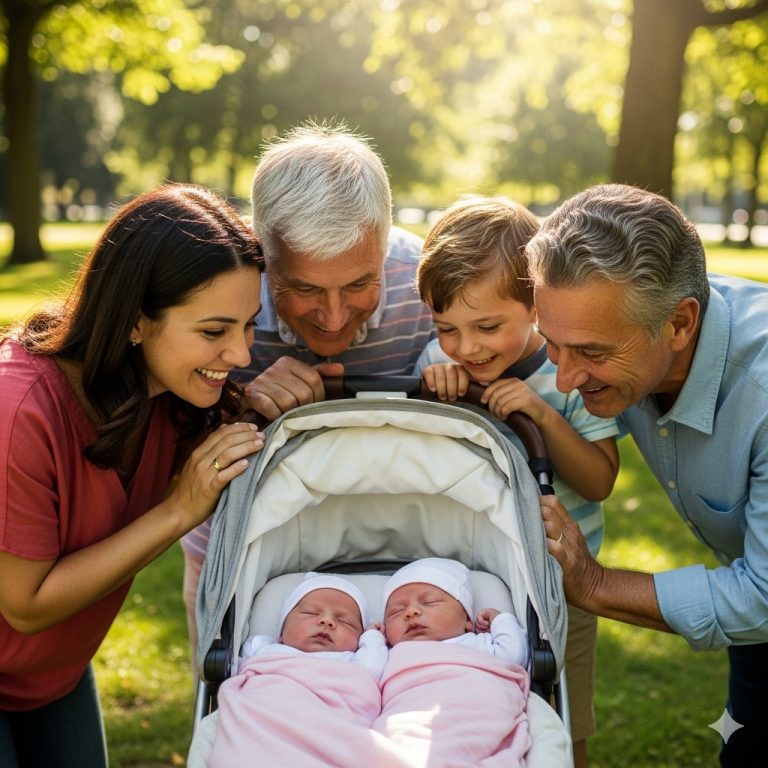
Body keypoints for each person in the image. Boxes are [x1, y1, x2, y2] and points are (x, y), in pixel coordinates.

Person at [0, 184, 265, 767]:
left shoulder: (173, 399)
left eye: (249, 325)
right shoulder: (18, 411)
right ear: (137, 321)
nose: (242, 354)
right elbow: (25, 603)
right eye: (215, 332)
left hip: (54, 675)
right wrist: (176, 511)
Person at [528, 183, 768, 767]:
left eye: (591, 352)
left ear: (681, 324)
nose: (564, 381)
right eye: (552, 345)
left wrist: (597, 584)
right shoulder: (626, 344)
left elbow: (763, 598)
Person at [181, 123, 435, 666]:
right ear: (263, 255)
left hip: (405, 551)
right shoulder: (216, 296)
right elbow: (164, 435)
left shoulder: (432, 289)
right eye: (304, 289)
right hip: (239, 550)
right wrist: (236, 398)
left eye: (359, 284)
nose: (334, 315)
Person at [412, 196, 619, 767]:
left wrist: (543, 414)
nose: (467, 347)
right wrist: (432, 390)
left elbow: (600, 481)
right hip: (469, 572)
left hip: (560, 580)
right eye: (446, 327)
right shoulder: (439, 362)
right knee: (461, 712)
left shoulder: (570, 372)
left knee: (561, 715)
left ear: (534, 303)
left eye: (487, 326)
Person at [382, 558, 529, 667]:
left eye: (429, 602)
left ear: (466, 619)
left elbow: (515, 656)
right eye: (397, 611)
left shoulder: (476, 644)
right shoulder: (387, 655)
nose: (410, 612)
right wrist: (373, 638)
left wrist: (499, 620)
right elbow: (364, 673)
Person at [238, 573, 388, 680]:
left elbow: (374, 668)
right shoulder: (262, 648)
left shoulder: (354, 662)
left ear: (358, 642)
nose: (327, 621)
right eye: (310, 613)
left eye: (345, 621)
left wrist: (372, 636)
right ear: (281, 636)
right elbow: (235, 671)